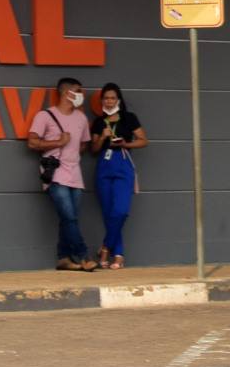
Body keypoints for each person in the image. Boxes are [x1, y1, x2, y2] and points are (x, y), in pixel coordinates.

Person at [26, 77, 95, 271]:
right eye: (78, 91)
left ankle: (63, 257)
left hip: (75, 174)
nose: (81, 95)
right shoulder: (45, 116)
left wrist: (72, 154)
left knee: (69, 218)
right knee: (69, 217)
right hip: (55, 175)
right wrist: (58, 143)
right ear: (67, 94)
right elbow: (32, 142)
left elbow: (83, 143)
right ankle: (83, 256)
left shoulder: (81, 118)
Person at [87, 83, 147, 270]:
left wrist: (125, 144)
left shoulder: (128, 118)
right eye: (106, 98)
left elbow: (143, 141)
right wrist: (102, 137)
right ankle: (118, 255)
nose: (109, 101)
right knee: (109, 213)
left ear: (118, 99)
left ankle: (106, 248)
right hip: (104, 166)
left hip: (122, 163)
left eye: (112, 98)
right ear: (102, 101)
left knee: (120, 211)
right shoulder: (99, 121)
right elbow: (94, 149)